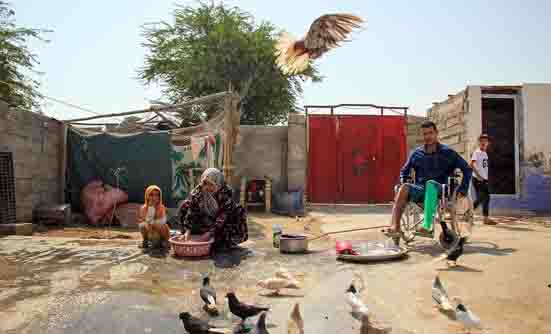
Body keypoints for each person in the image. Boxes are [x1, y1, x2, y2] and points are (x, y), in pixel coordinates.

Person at [384, 121, 473, 242]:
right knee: (404, 187)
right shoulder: (416, 154)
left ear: (436, 133)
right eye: (425, 134)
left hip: (440, 189)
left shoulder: (448, 153)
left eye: (430, 133)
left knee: (431, 183)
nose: (428, 137)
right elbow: (404, 171)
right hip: (420, 189)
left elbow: (467, 169)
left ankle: (427, 226)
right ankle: (395, 226)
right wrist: (403, 180)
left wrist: (463, 189)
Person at [179, 168, 248, 251]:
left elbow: (222, 217)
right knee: (185, 204)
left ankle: (224, 241)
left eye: (211, 184)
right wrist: (188, 231)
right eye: (205, 184)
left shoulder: (225, 193)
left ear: (218, 183)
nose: (207, 187)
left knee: (239, 210)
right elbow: (192, 212)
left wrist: (210, 233)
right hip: (205, 222)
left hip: (221, 226)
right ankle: (196, 235)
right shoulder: (197, 192)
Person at [470, 134, 495, 225]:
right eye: (482, 141)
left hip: (484, 179)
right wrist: (479, 176)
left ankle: (485, 218)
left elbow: (483, 167)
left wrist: (485, 178)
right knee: (482, 198)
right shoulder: (477, 152)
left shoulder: (485, 153)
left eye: (485, 141)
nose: (483, 143)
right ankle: (468, 213)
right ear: (479, 142)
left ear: (488, 143)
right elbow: (471, 165)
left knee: (486, 198)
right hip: (478, 179)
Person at [138, 185, 171, 250]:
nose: (154, 197)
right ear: (147, 196)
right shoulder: (144, 208)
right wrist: (151, 207)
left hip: (158, 230)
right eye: (151, 195)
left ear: (159, 197)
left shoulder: (161, 207)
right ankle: (146, 240)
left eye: (157, 195)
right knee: (142, 225)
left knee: (164, 226)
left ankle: (163, 241)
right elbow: (146, 220)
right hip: (149, 230)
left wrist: (154, 223)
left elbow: (163, 220)